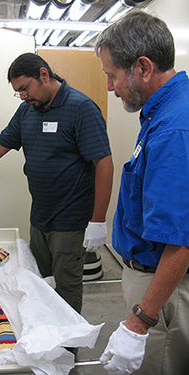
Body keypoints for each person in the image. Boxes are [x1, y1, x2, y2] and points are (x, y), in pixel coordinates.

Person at [0, 53, 113, 315]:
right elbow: (0, 145)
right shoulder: (27, 110)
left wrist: (98, 220)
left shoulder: (81, 108)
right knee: (40, 282)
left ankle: (66, 350)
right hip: (40, 216)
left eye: (24, 88)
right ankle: (42, 337)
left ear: (44, 75)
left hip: (70, 220)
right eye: (17, 92)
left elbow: (104, 163)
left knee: (66, 288)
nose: (22, 96)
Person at [94, 10, 189, 375]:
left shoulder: (172, 129)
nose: (110, 87)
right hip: (148, 283)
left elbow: (179, 242)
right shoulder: (159, 114)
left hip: (161, 293)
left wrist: (139, 324)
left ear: (143, 68)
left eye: (112, 75)